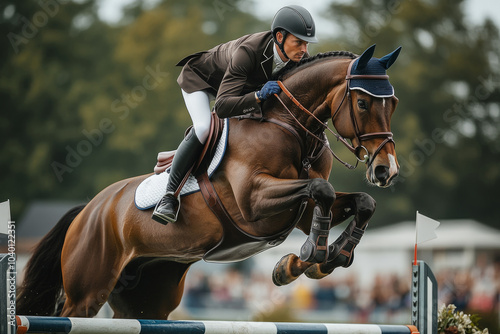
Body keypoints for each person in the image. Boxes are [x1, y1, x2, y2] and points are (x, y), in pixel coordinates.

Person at [152, 5, 318, 224]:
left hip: (237, 89)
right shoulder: (249, 52)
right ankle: (168, 196)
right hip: (201, 81)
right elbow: (221, 107)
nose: (304, 49)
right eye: (299, 42)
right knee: (203, 127)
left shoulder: (298, 57)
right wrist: (258, 95)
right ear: (280, 36)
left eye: (307, 43)